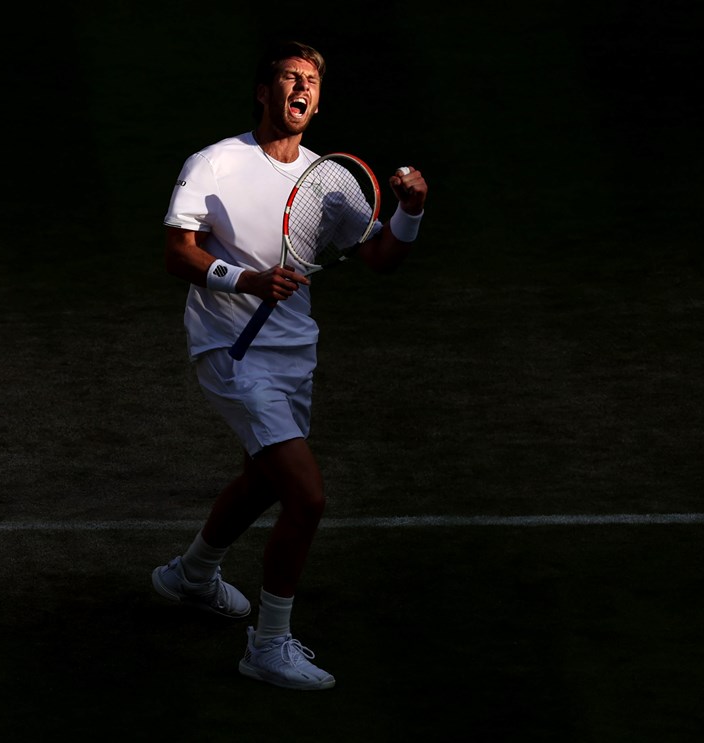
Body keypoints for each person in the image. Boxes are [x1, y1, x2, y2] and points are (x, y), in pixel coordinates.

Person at [152, 40, 428, 691]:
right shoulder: (215, 163)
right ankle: (268, 644)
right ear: (263, 90)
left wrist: (412, 210)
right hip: (230, 353)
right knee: (306, 495)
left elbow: (382, 258)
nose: (301, 88)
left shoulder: (329, 180)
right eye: (287, 77)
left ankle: (190, 574)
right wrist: (243, 279)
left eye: (311, 80)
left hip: (292, 356)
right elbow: (177, 252)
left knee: (264, 480)